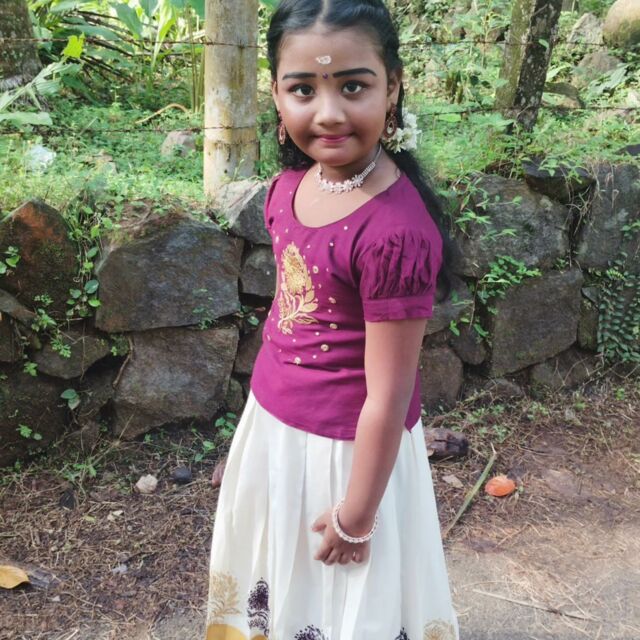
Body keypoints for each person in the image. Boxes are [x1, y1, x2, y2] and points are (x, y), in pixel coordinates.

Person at [205, 1, 459, 638]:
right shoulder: (288, 189)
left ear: (392, 87)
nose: (328, 113)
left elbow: (389, 395)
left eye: (352, 86)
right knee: (279, 584)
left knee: (342, 603)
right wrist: (258, 444)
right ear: (276, 94)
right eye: (303, 89)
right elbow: (295, 314)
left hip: (348, 459)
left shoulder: (395, 233)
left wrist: (356, 517)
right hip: (275, 432)